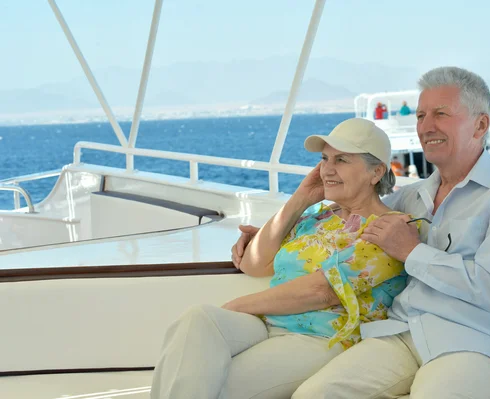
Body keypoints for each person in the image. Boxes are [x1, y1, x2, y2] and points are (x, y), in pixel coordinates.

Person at [233, 67, 490, 398]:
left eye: (441, 114)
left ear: (481, 124)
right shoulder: (410, 198)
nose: (426, 127)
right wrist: (277, 233)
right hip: (403, 332)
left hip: (478, 342)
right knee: (314, 395)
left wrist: (413, 252)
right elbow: (354, 215)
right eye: (421, 115)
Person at [151, 118, 414, 399]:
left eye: (342, 160)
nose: (328, 169)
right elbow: (255, 263)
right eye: (324, 159)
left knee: (215, 387)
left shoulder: (392, 228)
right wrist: (301, 198)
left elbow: (323, 291)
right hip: (269, 323)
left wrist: (234, 307)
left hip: (321, 337)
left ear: (376, 172)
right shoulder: (318, 219)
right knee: (199, 319)